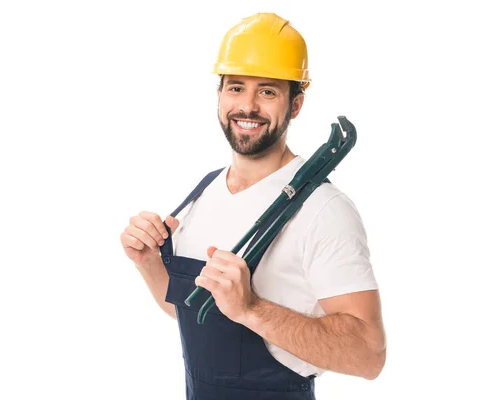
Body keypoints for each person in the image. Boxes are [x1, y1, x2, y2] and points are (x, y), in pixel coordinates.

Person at [120, 12, 386, 400]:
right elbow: (194, 314)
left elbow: (369, 356)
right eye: (236, 87)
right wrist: (148, 264)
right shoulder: (203, 193)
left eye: (267, 91)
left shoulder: (323, 209)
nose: (247, 107)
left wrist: (252, 309)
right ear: (219, 95)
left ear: (295, 104)